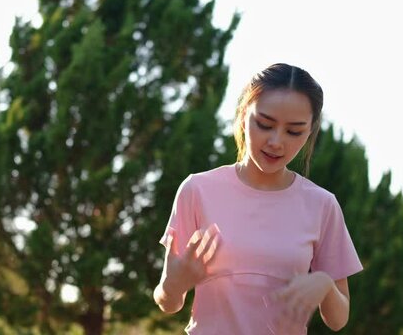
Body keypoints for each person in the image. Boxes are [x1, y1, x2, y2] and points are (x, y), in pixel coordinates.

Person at [153, 63, 363, 334]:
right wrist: (173, 285)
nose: (276, 141)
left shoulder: (321, 205)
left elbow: (338, 319)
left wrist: (324, 284)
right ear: (243, 115)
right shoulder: (197, 190)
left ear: (310, 131)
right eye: (265, 124)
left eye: (294, 131)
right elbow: (168, 302)